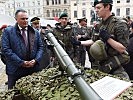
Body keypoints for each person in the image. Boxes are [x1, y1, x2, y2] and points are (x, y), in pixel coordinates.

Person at [71, 0, 130, 79]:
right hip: (103, 65)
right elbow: (93, 40)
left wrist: (108, 38)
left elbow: (123, 48)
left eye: (99, 8)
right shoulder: (100, 25)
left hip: (118, 65)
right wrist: (79, 43)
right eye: (95, 8)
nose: (96, 10)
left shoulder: (119, 23)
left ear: (107, 7)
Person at [1, 9, 44, 89]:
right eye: (23, 19)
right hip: (15, 71)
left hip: (32, 70)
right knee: (14, 94)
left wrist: (36, 60)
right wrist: (21, 62)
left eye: (26, 18)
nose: (25, 21)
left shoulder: (35, 32)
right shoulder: (8, 32)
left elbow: (40, 47)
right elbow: (6, 50)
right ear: (16, 19)